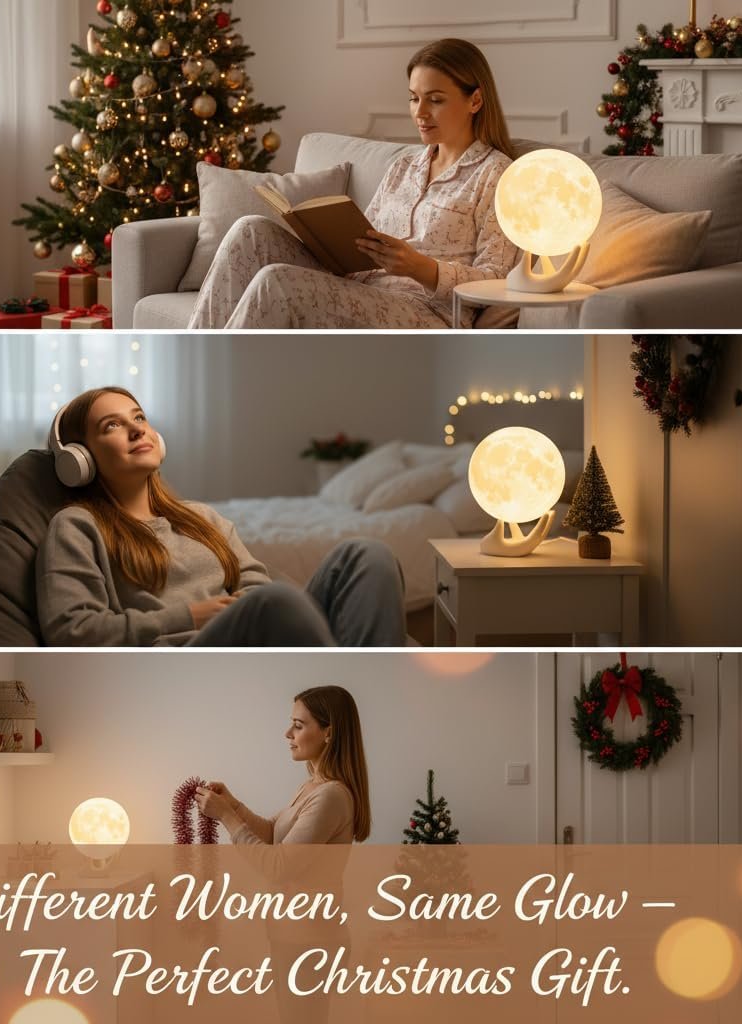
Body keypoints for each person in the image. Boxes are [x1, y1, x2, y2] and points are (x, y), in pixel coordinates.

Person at [187, 37, 519, 331]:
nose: (420, 112)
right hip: (362, 286)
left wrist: (423, 268)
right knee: (250, 230)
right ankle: (193, 362)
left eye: (435, 99)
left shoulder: (497, 175)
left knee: (277, 282)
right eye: (414, 98)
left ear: (475, 101)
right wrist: (329, 245)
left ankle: (211, 386)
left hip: (427, 312)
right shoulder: (404, 167)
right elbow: (366, 239)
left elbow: (497, 280)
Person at [36, 387, 406, 647]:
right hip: (186, 657)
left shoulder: (202, 517)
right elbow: (74, 630)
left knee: (367, 554)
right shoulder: (77, 526)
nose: (137, 428)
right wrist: (190, 616)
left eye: (139, 417)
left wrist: (244, 606)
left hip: (250, 639)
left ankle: (362, 688)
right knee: (275, 602)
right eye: (111, 425)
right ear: (78, 460)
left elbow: (254, 583)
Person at [195, 685, 370, 844]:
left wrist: (225, 815)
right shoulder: (311, 786)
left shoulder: (331, 796)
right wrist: (233, 806)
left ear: (328, 734)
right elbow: (272, 833)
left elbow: (278, 867)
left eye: (298, 726)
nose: (288, 733)